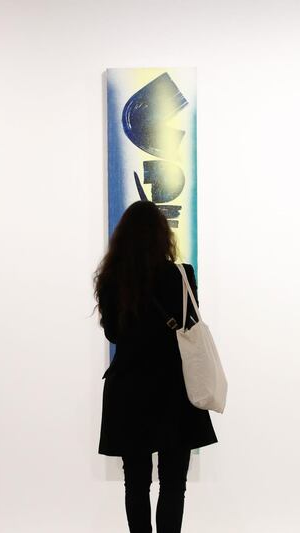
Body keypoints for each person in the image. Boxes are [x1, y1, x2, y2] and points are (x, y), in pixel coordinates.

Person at [94, 200, 217, 533]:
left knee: (135, 483)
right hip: (173, 389)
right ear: (162, 236)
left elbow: (113, 333)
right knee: (174, 482)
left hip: (129, 388)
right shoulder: (181, 274)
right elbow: (190, 324)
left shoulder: (111, 280)